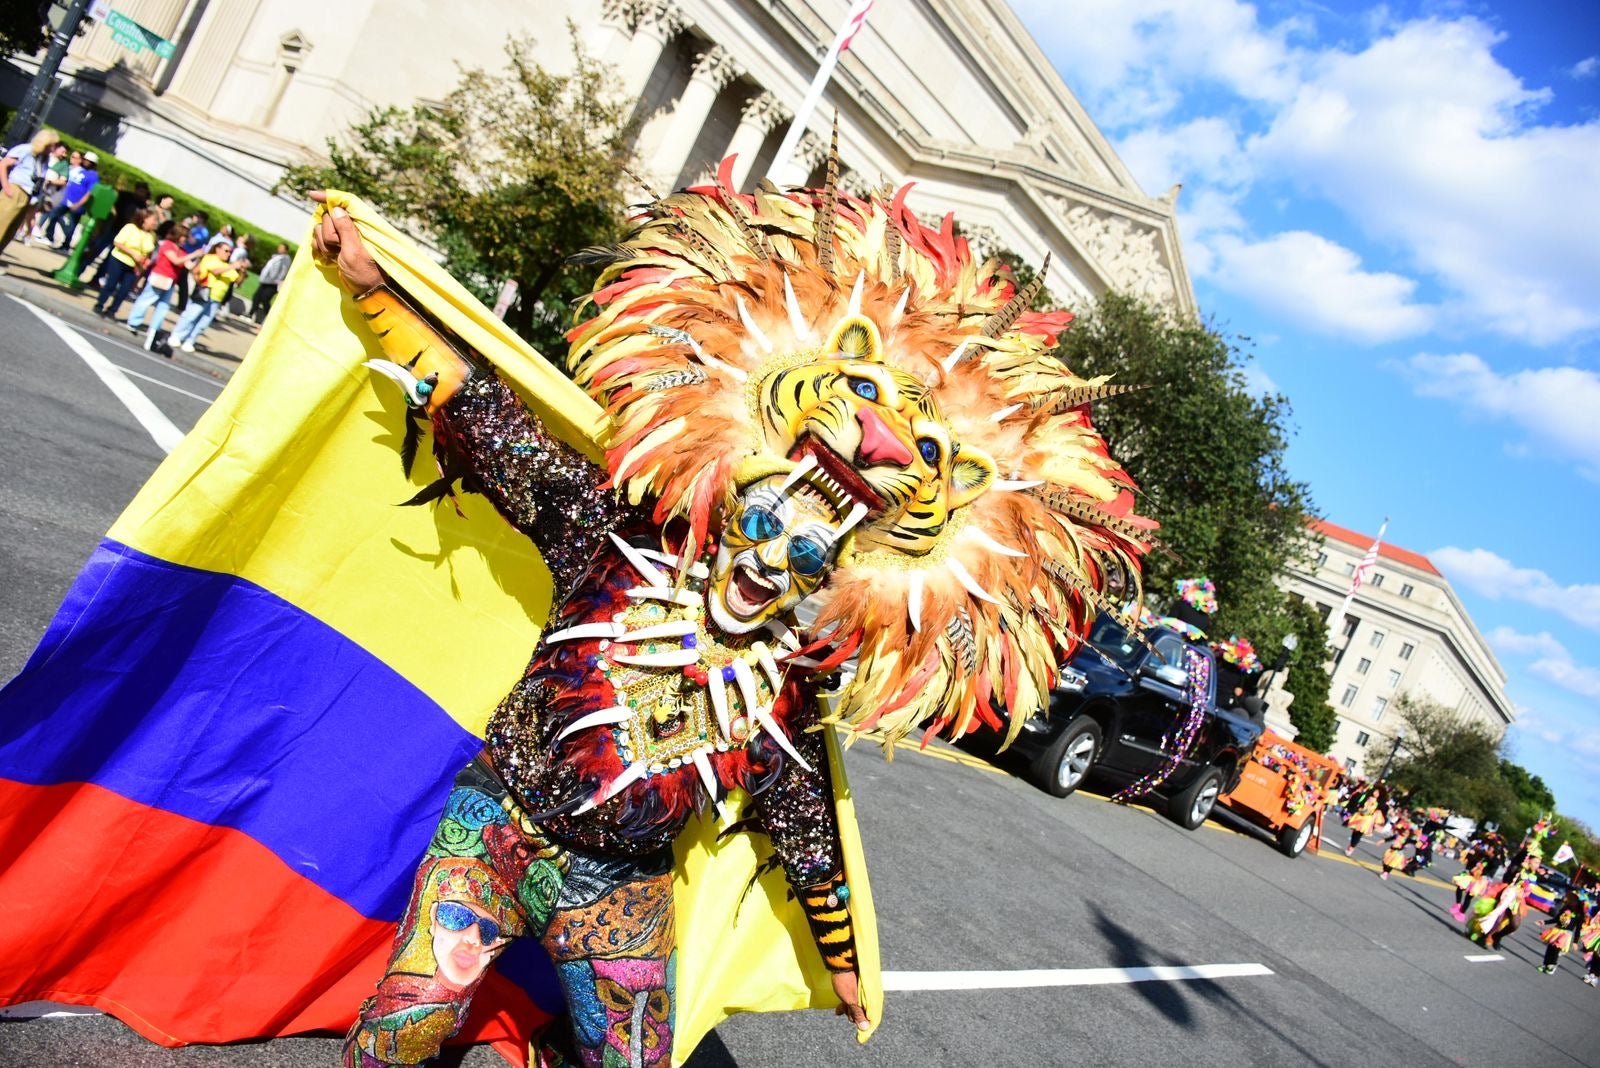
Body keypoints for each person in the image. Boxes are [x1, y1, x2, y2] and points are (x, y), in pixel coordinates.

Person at [311, 146, 1148, 1064]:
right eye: (760, 520)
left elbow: (806, 828)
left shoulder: (782, 695)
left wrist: (845, 963)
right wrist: (374, 291)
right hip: (496, 827)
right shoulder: (615, 540)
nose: (768, 559)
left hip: (617, 885)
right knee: (408, 1030)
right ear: (734, 495)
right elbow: (490, 419)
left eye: (802, 555)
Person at [125, 221, 199, 349]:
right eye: (184, 237)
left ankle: (154, 329)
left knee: (163, 306)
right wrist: (193, 254)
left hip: (170, 281)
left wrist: (199, 258)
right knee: (147, 299)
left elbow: (189, 266)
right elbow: (175, 260)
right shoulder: (167, 245)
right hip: (160, 277)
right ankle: (133, 321)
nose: (185, 240)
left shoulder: (182, 251)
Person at [168, 237, 240, 353]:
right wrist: (231, 266)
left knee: (204, 322)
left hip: (217, 298)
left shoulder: (227, 265)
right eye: (226, 251)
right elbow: (214, 271)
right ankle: (177, 336)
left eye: (230, 252)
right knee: (191, 316)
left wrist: (242, 270)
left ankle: (190, 340)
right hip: (204, 293)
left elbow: (237, 281)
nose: (228, 254)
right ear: (217, 249)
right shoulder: (211, 258)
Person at [0, 128, 60, 257]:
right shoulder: (26, 150)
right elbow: (4, 164)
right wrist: (7, 187)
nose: (52, 148)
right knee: (2, 225)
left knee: (10, 231)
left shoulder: (44, 158)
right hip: (16, 190)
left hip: (29, 195)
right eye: (51, 145)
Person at [93, 207, 160, 319]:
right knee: (111, 284)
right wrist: (133, 253)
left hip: (135, 265)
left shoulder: (151, 236)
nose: (155, 223)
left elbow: (149, 251)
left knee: (124, 289)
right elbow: (118, 242)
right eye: (153, 220)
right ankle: (99, 304)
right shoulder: (131, 228)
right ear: (145, 219)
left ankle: (112, 310)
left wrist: (145, 262)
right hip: (119, 259)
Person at [39, 149, 98, 250]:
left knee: (72, 225)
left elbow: (89, 193)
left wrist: (79, 204)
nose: (85, 162)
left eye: (88, 161)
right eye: (85, 160)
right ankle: (49, 236)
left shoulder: (93, 176)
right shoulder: (81, 171)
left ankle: (65, 245)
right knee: (54, 215)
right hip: (66, 200)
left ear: (92, 163)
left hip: (78, 203)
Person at [1538, 891, 1585, 974]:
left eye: (1573, 899)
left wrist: (1575, 942)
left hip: (1565, 934)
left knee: (1556, 948)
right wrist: (1544, 922)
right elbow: (1556, 919)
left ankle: (1552, 965)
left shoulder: (1579, 915)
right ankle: (1545, 964)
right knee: (1550, 948)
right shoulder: (1565, 909)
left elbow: (1578, 929)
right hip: (1557, 930)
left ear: (1577, 902)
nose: (1570, 900)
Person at [251, 242, 291, 324]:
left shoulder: (285, 259)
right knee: (256, 297)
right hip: (266, 280)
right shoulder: (276, 256)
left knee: (265, 298)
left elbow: (283, 271)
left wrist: (277, 280)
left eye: (282, 248)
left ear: (286, 250)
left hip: (274, 283)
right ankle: (251, 313)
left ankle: (268, 317)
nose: (279, 249)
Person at [1346, 786, 1383, 855]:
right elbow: (1360, 804)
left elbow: (1375, 811)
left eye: (1378, 792)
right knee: (1355, 831)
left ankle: (1352, 847)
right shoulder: (1367, 797)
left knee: (1360, 832)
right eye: (1375, 791)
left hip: (1367, 819)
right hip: (1360, 816)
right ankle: (1352, 845)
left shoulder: (1378, 803)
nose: (1376, 793)